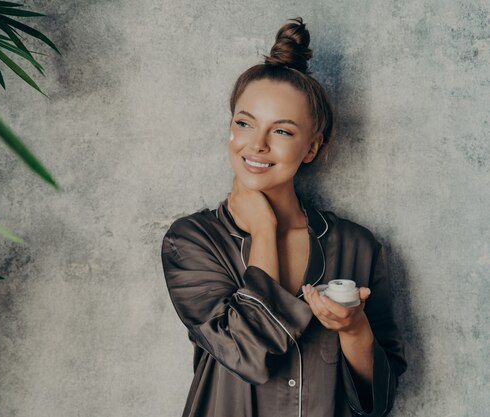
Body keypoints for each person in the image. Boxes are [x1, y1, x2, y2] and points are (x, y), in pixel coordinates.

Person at [160, 17, 407, 417]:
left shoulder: (359, 246)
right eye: (245, 123)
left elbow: (378, 401)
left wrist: (352, 328)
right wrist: (263, 229)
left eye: (283, 132)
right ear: (230, 129)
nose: (256, 144)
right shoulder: (191, 240)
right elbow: (246, 351)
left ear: (311, 148)